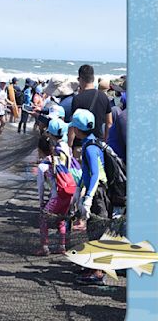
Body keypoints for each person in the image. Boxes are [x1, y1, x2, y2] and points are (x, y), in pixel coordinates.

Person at [70, 109, 110, 285]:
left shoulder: (90, 148)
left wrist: (88, 198)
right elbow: (85, 173)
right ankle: (92, 265)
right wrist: (79, 190)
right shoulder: (91, 142)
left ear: (78, 130)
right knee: (92, 229)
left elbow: (95, 174)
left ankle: (98, 272)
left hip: (98, 192)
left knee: (98, 230)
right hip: (93, 191)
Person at [35, 119, 73, 256]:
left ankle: (45, 247)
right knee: (61, 219)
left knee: (44, 218)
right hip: (68, 191)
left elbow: (43, 186)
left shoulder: (51, 158)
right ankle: (62, 246)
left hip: (57, 193)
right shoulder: (66, 148)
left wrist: (41, 203)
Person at [68, 65, 112, 159]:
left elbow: (73, 124)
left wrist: (69, 145)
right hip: (98, 143)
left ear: (80, 79)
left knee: (79, 172)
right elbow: (109, 123)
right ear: (93, 78)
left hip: (81, 144)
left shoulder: (77, 99)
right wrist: (105, 141)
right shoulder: (104, 97)